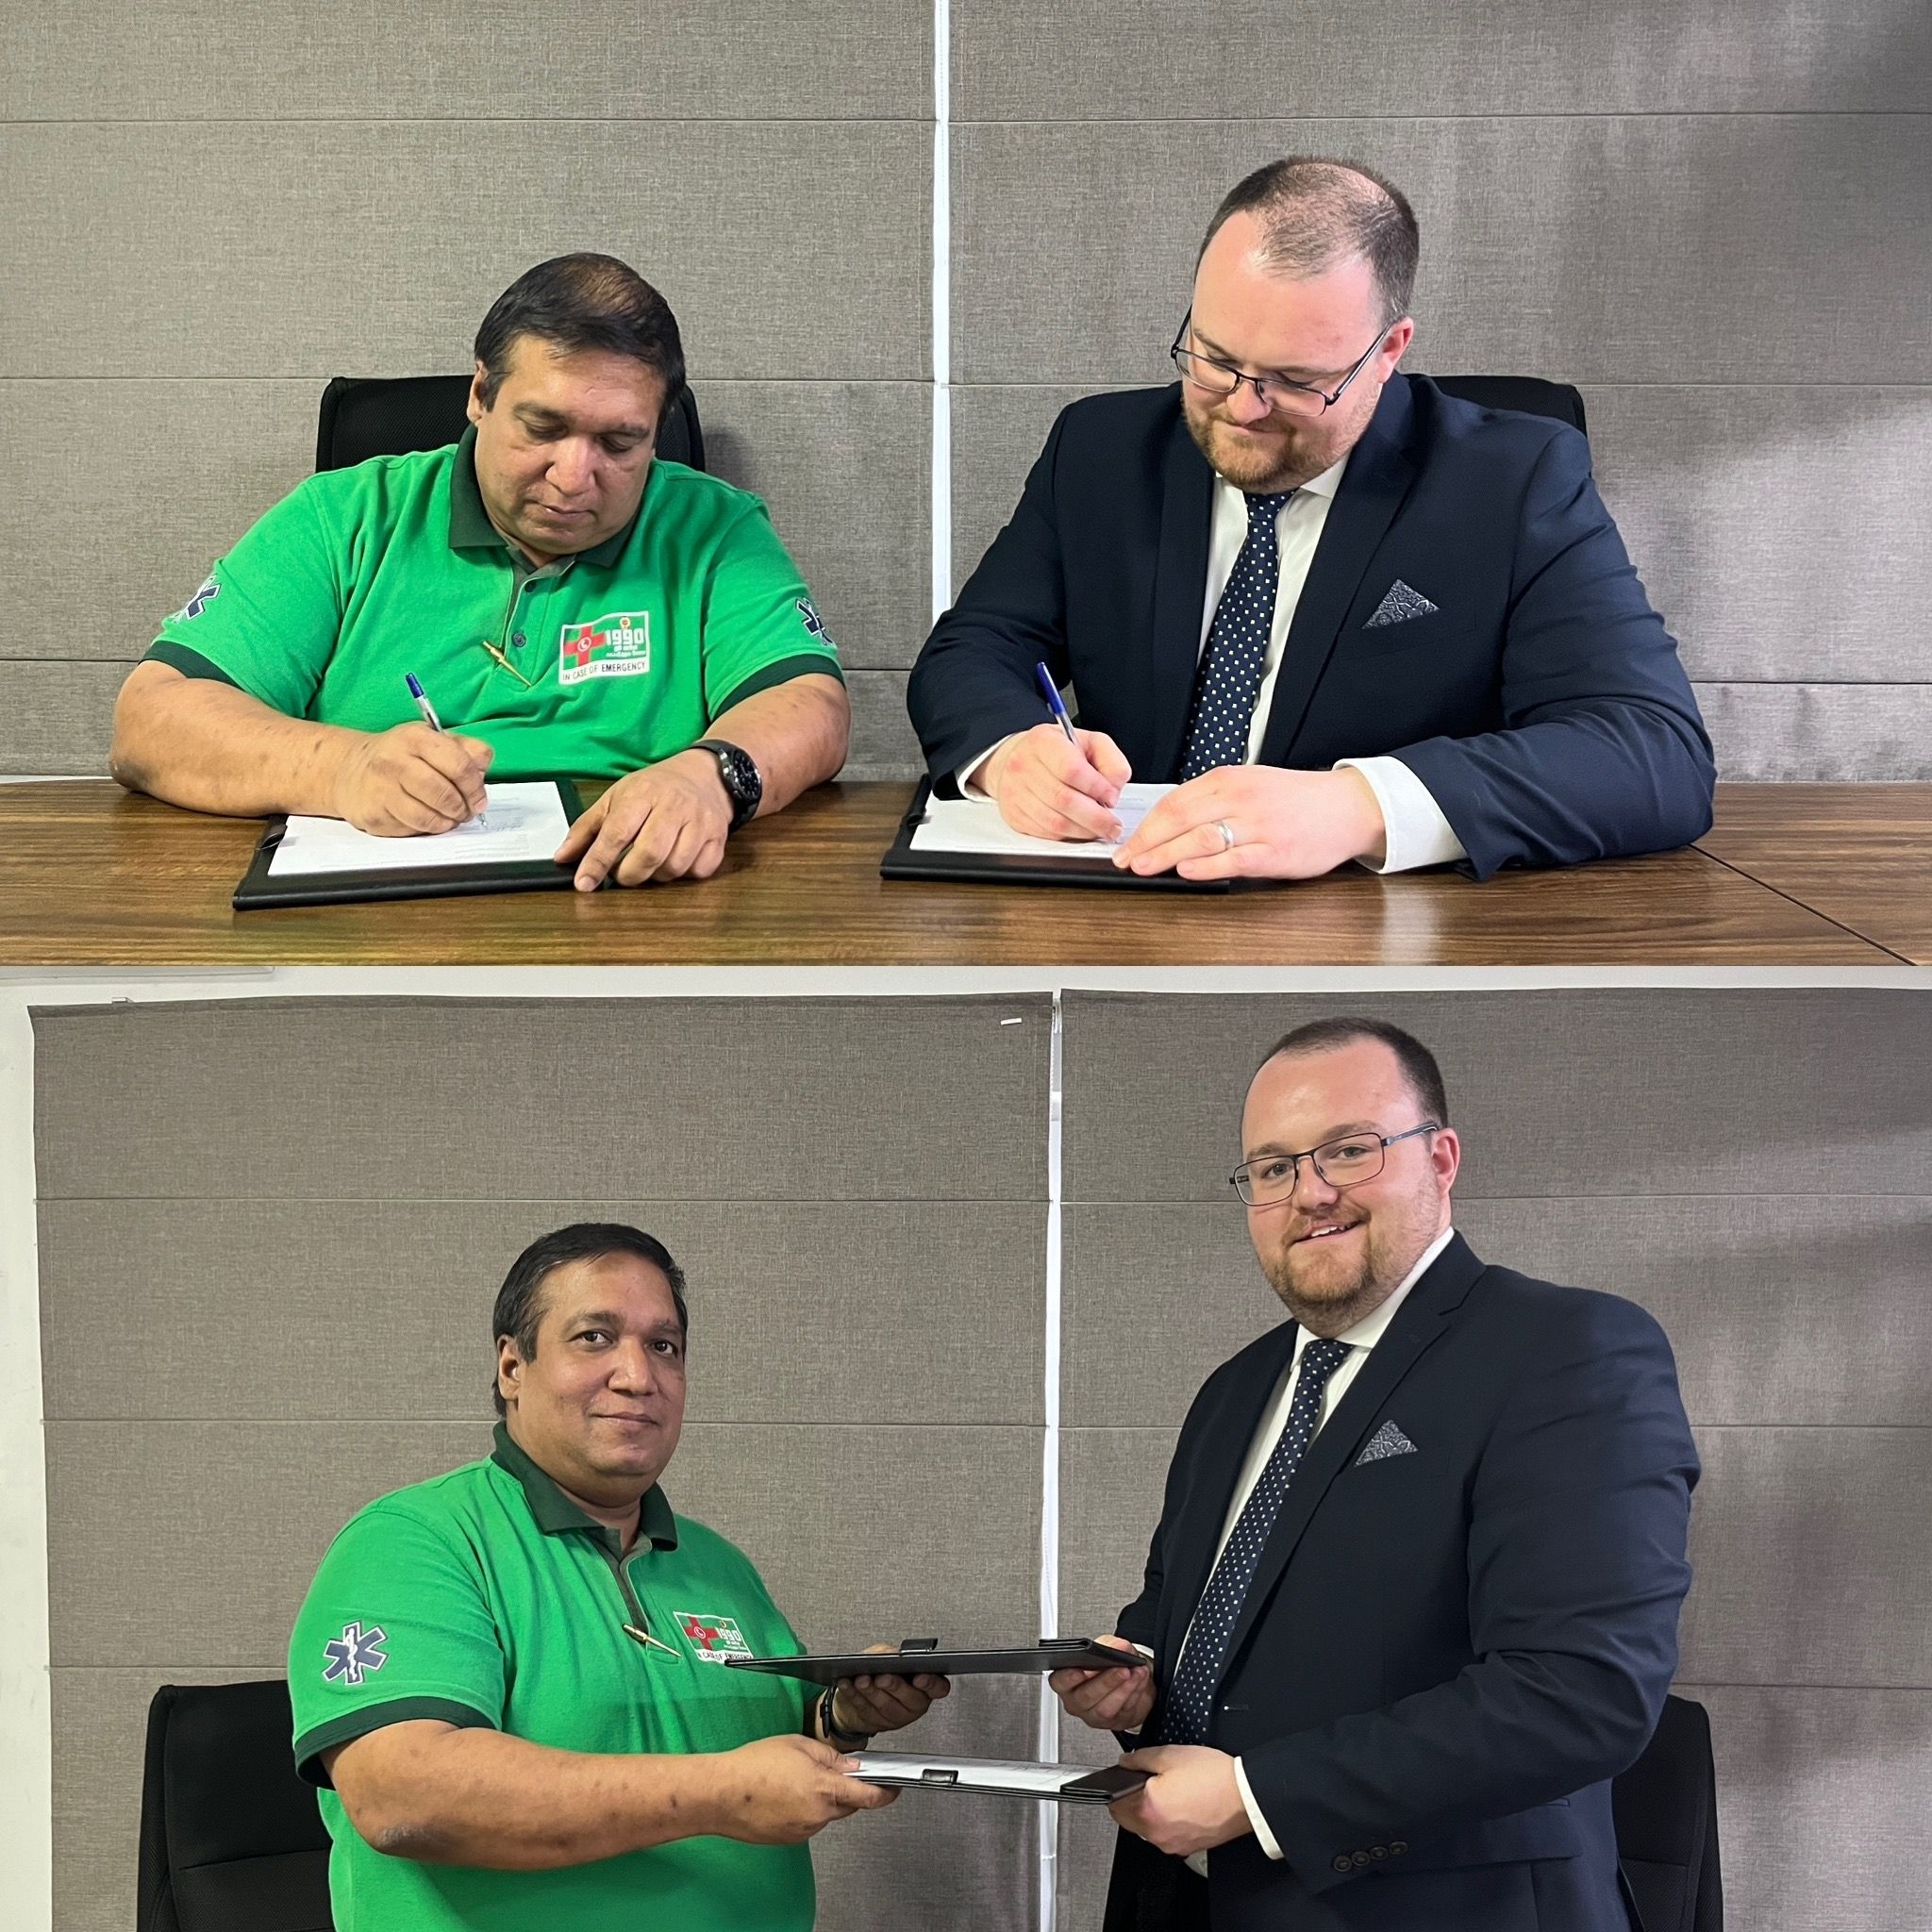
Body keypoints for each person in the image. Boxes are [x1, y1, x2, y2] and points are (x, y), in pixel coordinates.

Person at [1052, 1019, 1697, 1931]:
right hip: (1184, 1899)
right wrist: (1138, 1682)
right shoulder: (1233, 1392)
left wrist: (1255, 1795)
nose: (1309, 1193)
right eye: (1272, 1169)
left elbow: (1581, 1693)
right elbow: (1186, 1620)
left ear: (1441, 1158)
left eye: (1349, 1152)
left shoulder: (1565, 1352)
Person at [908, 158, 1714, 881]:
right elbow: (973, 651)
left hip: (1371, 941)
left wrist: (1356, 807)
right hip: (1125, 898)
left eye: (1296, 381)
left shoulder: (1513, 481)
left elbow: (1652, 751)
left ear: (1389, 350)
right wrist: (1013, 752)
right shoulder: (1102, 451)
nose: (1242, 409)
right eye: (1215, 359)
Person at [110, 254, 850, 890]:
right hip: (381, 903)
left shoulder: (713, 529)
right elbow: (152, 720)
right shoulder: (346, 517)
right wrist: (345, 769)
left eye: (620, 442)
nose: (574, 475)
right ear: (480, 397)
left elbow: (811, 704)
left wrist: (711, 777)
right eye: (544, 428)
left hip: (632, 889)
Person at [288, 1224, 947, 1930]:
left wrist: (845, 1718)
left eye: (663, 1346)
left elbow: (777, 1735)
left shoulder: (717, 1564)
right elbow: (404, 1795)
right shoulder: (414, 1543)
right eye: (594, 1337)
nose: (638, 1376)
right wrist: (721, 1793)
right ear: (512, 1368)